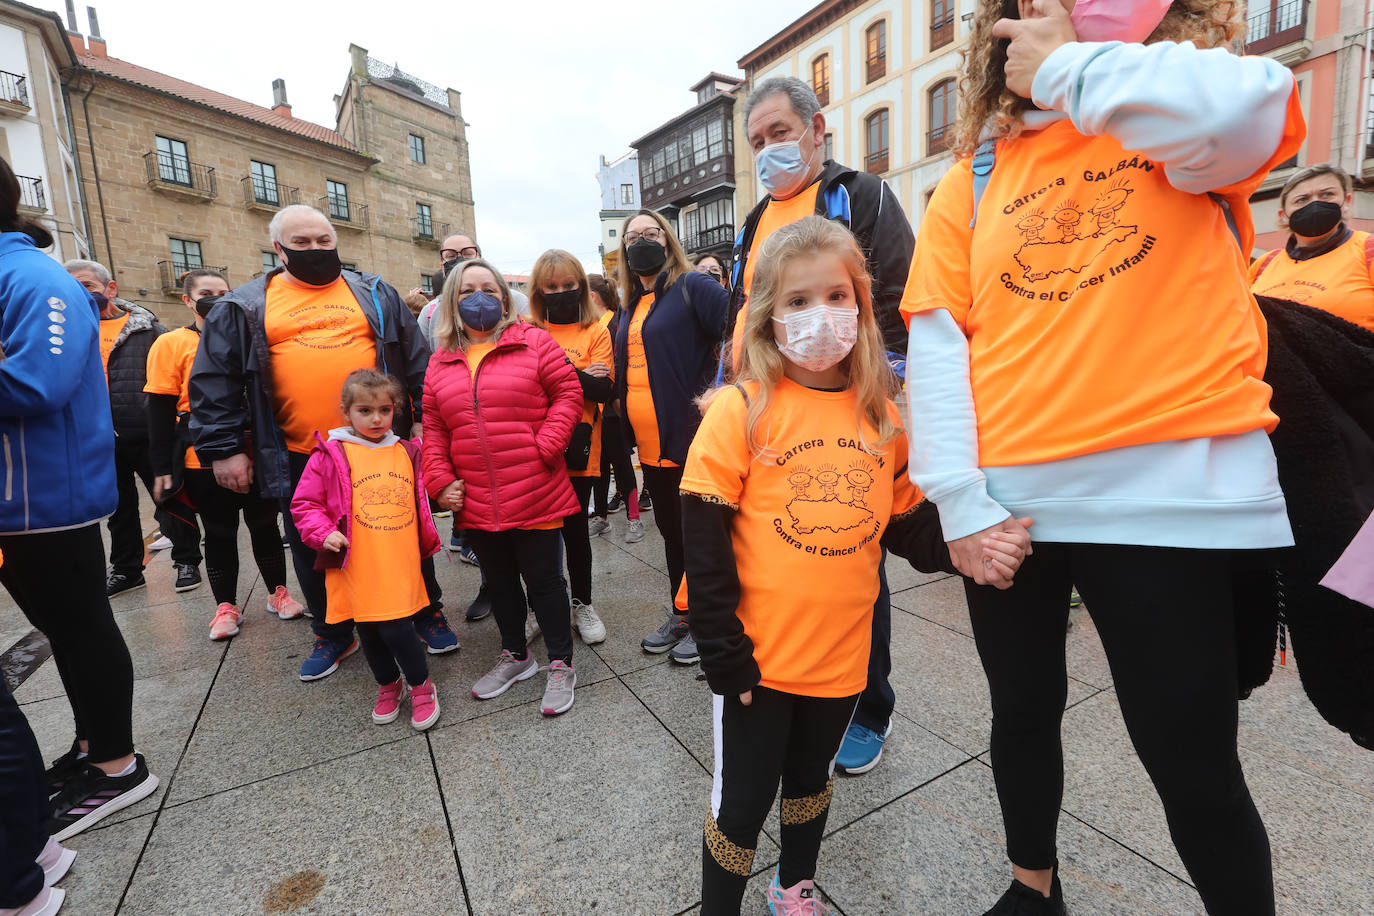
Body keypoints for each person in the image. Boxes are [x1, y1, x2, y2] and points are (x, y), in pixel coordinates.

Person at [904, 2, 1305, 913]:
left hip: (1167, 498)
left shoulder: (1170, 113)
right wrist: (959, 504)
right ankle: (1031, 886)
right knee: (1021, 712)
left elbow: (1248, 115)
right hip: (1011, 508)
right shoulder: (970, 175)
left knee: (1191, 760)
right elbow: (938, 345)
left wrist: (1076, 70)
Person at [686, 217, 1029, 914]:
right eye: (798, 301)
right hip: (757, 662)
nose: (821, 316)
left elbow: (905, 522)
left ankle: (795, 891)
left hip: (841, 661)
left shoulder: (882, 418)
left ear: (863, 306)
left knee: (811, 784)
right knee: (743, 803)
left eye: (836, 296)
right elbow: (703, 536)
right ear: (767, 316)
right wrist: (723, 650)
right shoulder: (741, 410)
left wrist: (969, 542)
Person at [729, 75, 918, 775]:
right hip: (775, 412)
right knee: (794, 543)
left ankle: (869, 707)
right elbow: (746, 317)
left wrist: (882, 388)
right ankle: (794, 680)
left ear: (816, 130)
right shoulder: (755, 223)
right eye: (757, 142)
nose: (770, 151)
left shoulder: (858, 196)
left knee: (854, 546)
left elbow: (898, 291)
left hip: (853, 401)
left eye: (780, 133)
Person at [189, 204, 457, 682]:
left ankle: (423, 612)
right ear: (279, 249)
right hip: (298, 452)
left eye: (323, 241)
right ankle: (334, 630)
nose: (316, 250)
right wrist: (224, 449)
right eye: (302, 243)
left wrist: (423, 423)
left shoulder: (375, 292)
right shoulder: (245, 304)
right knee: (313, 542)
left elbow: (415, 361)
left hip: (378, 445)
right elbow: (214, 382)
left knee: (402, 528)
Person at [0, 158, 159, 843]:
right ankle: (95, 748)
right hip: (18, 499)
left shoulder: (38, 280)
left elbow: (38, 386)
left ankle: (119, 765)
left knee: (82, 627)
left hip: (44, 496)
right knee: (66, 632)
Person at [421, 259, 585, 716]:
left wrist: (547, 446)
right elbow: (433, 429)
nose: (480, 298)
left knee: (546, 581)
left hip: (535, 488)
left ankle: (560, 662)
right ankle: (516, 656)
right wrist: (438, 480)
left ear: (504, 297)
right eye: (468, 290)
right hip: (474, 495)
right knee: (500, 582)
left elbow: (568, 393)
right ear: (452, 300)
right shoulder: (440, 361)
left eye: (490, 289)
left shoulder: (534, 342)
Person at [144, 269, 305, 641]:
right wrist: (161, 466)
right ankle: (225, 605)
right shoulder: (170, 344)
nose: (215, 297)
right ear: (187, 299)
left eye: (222, 292)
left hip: (255, 443)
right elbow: (158, 410)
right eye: (205, 292)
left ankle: (278, 592)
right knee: (219, 530)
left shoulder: (250, 336)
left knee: (265, 524)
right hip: (201, 452)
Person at [291, 370, 444, 730]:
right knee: (370, 630)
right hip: (357, 565)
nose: (376, 419)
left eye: (384, 410)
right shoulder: (330, 455)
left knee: (396, 626)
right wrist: (323, 532)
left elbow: (426, 492)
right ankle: (388, 683)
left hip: (397, 560)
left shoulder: (407, 451)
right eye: (364, 410)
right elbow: (305, 504)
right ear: (346, 412)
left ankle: (421, 685)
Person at [612, 209, 730, 664]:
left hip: (690, 436)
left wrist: (725, 390)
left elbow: (739, 329)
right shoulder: (629, 304)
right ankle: (684, 613)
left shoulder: (692, 285)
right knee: (672, 534)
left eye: (650, 232)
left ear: (668, 239)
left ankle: (710, 621)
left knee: (700, 534)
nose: (641, 240)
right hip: (651, 444)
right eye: (632, 236)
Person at [64, 258, 202, 597]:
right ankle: (127, 570)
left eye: (88, 286)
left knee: (169, 498)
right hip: (95, 436)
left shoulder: (148, 329)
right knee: (117, 508)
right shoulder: (65, 332)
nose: (81, 294)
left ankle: (187, 561)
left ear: (110, 289)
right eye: (73, 288)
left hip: (146, 431)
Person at [528, 250, 612, 644]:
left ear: (581, 287)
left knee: (576, 531)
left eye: (567, 285)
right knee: (537, 535)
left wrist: (553, 368)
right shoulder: (528, 329)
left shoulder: (596, 330)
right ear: (539, 291)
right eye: (552, 287)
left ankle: (582, 602)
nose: (560, 292)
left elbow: (603, 388)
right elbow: (525, 385)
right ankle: (539, 606)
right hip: (534, 448)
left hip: (580, 447)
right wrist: (578, 372)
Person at [1250, 164, 1374, 331]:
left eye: (1327, 194)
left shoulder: (1368, 250)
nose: (1315, 203)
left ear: (1347, 202)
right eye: (1302, 199)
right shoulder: (1264, 264)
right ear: (1283, 215)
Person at [586, 274, 645, 544]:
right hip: (595, 408)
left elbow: (617, 367)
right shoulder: (591, 325)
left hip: (612, 406)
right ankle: (601, 518)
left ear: (593, 296)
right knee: (598, 467)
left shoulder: (614, 322)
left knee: (621, 464)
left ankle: (634, 518)